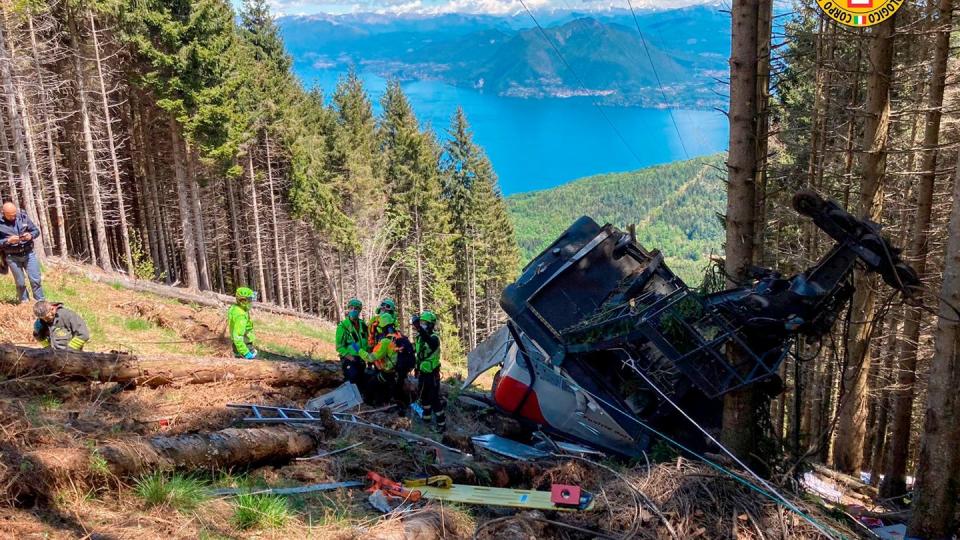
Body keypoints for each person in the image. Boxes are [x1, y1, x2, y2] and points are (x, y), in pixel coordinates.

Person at [1, 202, 45, 303]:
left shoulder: (23, 217)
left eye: (14, 214)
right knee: (20, 283)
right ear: (4, 213)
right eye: (10, 216)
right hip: (12, 257)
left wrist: (30, 235)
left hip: (29, 253)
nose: (14, 217)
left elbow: (36, 231)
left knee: (35, 280)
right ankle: (24, 303)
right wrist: (8, 241)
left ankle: (40, 302)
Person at [363, 312, 408, 409]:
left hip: (387, 373)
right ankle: (386, 402)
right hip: (397, 372)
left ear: (382, 327)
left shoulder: (385, 341)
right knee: (383, 388)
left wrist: (359, 351)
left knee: (370, 385)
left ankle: (372, 405)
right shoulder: (399, 337)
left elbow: (371, 357)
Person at [412, 311, 445, 432]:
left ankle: (441, 424)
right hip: (422, 373)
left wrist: (419, 328)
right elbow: (418, 354)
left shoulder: (434, 338)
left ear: (431, 325)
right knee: (424, 398)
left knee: (434, 399)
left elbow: (430, 343)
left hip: (432, 375)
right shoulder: (419, 338)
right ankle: (426, 420)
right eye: (421, 322)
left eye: (425, 323)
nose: (422, 325)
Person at [335, 298, 369, 388]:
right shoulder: (343, 326)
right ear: (348, 309)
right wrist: (351, 358)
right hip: (350, 359)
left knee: (362, 382)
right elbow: (339, 346)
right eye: (351, 308)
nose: (353, 310)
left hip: (362, 358)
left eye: (356, 308)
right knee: (352, 379)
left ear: (359, 310)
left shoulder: (363, 325)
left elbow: (367, 341)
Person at [228, 287, 257, 359]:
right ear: (243, 301)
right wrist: (246, 353)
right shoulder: (240, 316)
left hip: (239, 346)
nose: (251, 303)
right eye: (250, 300)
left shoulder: (235, 309)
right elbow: (237, 336)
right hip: (244, 346)